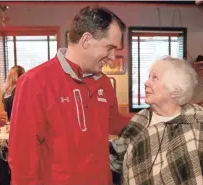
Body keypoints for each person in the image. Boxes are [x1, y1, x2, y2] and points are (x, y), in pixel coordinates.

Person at [8, 5, 130, 185]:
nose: (112, 56)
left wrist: (154, 117)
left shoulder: (103, 82)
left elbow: (114, 123)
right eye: (110, 47)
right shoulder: (34, 82)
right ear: (86, 40)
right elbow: (22, 155)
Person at [110, 56, 203, 185]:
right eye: (149, 77)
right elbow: (117, 156)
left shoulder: (197, 125)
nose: (146, 82)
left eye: (154, 78)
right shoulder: (140, 119)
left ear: (175, 91)